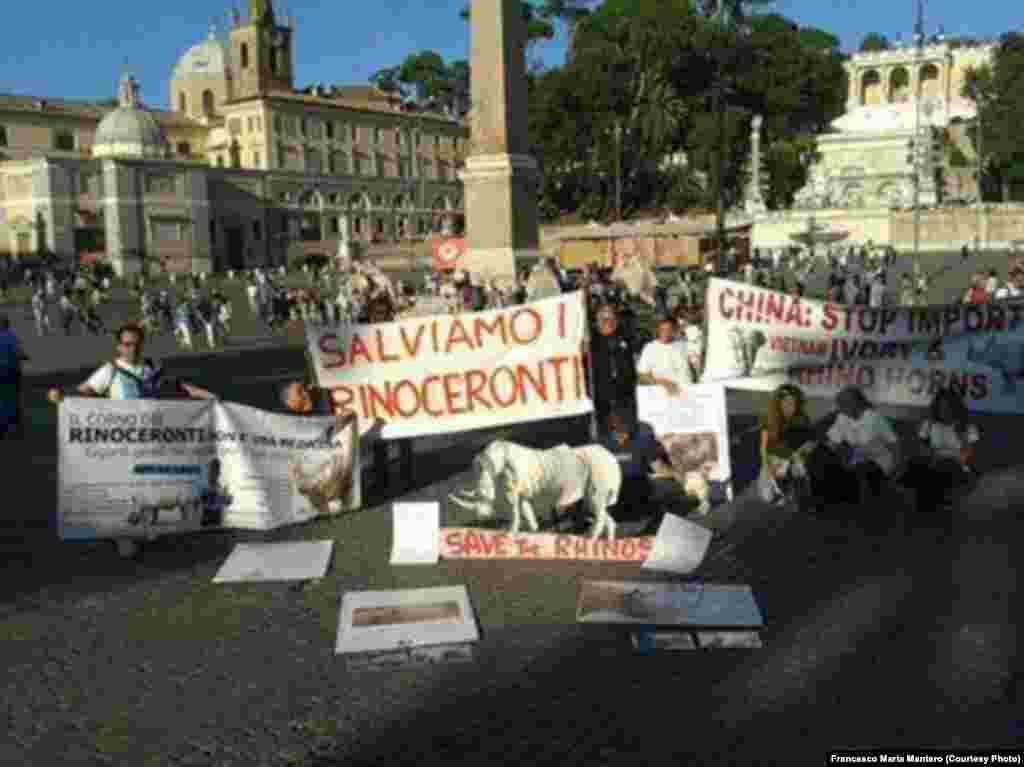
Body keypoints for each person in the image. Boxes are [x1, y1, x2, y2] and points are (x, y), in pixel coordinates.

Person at [47, 323, 216, 403]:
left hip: (154, 435)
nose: (133, 348)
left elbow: (179, 387)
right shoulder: (110, 370)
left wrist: (208, 395)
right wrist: (62, 394)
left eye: (137, 344)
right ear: (119, 347)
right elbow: (86, 391)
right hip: (125, 440)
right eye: (127, 344)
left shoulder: (154, 367)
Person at [809, 386, 901, 512]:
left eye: (843, 404)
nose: (840, 408)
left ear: (857, 403)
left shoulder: (875, 419)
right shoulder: (842, 417)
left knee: (861, 471)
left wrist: (896, 466)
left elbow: (894, 443)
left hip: (880, 459)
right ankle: (822, 502)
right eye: (840, 404)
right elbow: (832, 442)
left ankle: (862, 502)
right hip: (858, 458)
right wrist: (817, 451)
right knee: (820, 456)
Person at [900, 388, 978, 523]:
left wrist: (961, 436)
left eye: (948, 407)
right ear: (936, 408)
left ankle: (928, 509)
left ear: (955, 408)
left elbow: (968, 457)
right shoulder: (929, 424)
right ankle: (928, 508)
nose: (944, 411)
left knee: (941, 467)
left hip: (957, 465)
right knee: (918, 464)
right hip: (933, 461)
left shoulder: (968, 427)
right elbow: (921, 448)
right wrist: (929, 454)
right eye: (941, 407)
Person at [757, 384, 818, 507]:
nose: (791, 406)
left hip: (796, 460)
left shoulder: (803, 419)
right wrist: (768, 467)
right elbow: (764, 447)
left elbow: (811, 442)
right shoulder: (768, 419)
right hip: (775, 460)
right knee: (769, 496)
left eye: (795, 402)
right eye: (787, 402)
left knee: (799, 495)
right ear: (778, 402)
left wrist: (798, 458)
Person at [604, 408, 662, 528]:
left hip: (638, 489)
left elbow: (654, 463)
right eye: (616, 420)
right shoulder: (605, 443)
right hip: (619, 491)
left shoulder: (641, 438)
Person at [588, 303, 638, 436]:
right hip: (599, 398)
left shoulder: (625, 338)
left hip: (624, 397)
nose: (608, 322)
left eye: (611, 319)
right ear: (597, 321)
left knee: (625, 436)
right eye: (604, 319)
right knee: (603, 435)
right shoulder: (590, 341)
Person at [637, 316, 692, 396]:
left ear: (675, 330)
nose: (666, 332)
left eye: (670, 329)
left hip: (687, 393)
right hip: (663, 396)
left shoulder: (684, 345)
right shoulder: (650, 348)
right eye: (663, 329)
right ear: (658, 330)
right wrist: (663, 382)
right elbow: (642, 375)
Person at [0, 315, 28, 439]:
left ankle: (5, 425)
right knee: (13, 397)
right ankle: (14, 425)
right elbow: (20, 353)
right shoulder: (12, 336)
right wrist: (24, 357)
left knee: (3, 399)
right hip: (12, 372)